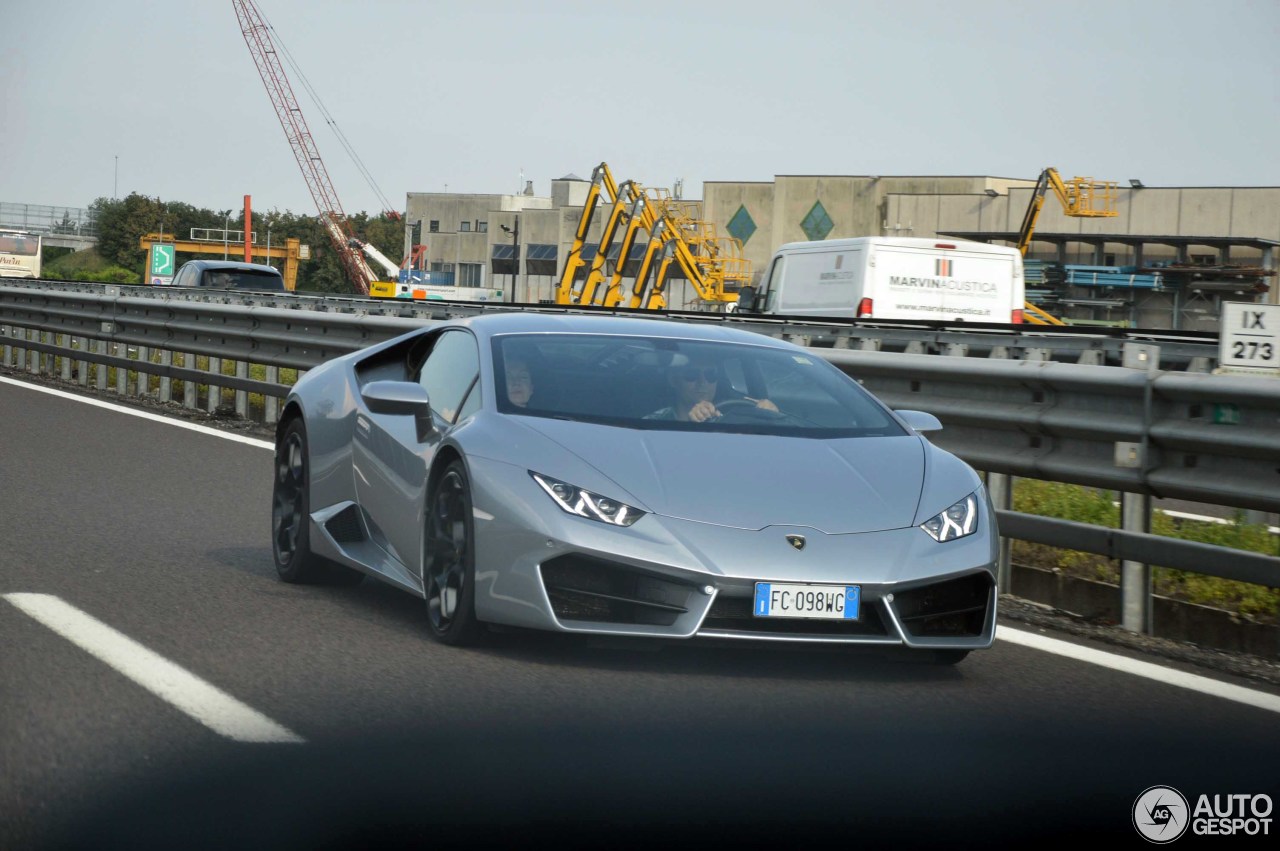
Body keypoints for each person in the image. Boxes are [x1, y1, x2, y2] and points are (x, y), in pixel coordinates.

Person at [645, 359, 777, 422]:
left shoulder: (731, 420)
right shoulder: (655, 422)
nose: (703, 382)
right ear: (673, 381)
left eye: (711, 375)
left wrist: (775, 417)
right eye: (692, 375)